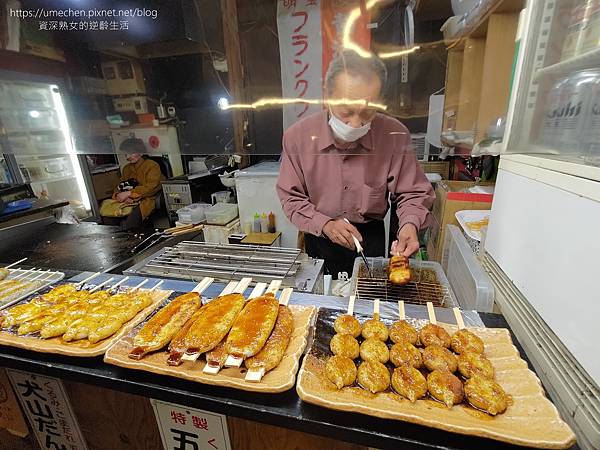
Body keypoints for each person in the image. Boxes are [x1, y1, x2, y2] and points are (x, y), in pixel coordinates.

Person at [276, 50, 435, 278]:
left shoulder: (394, 135)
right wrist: (326, 224)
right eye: (347, 111)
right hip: (319, 236)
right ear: (327, 95)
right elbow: (291, 198)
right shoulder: (298, 137)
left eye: (368, 111)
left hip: (370, 239)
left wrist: (409, 224)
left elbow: (412, 192)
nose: (356, 123)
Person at [100, 138, 164, 230]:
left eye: (131, 153)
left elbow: (151, 187)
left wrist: (130, 194)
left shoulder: (152, 165)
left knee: (130, 224)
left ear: (141, 153)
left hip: (146, 199)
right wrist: (118, 195)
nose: (127, 157)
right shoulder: (127, 168)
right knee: (108, 217)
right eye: (126, 154)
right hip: (126, 201)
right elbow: (120, 186)